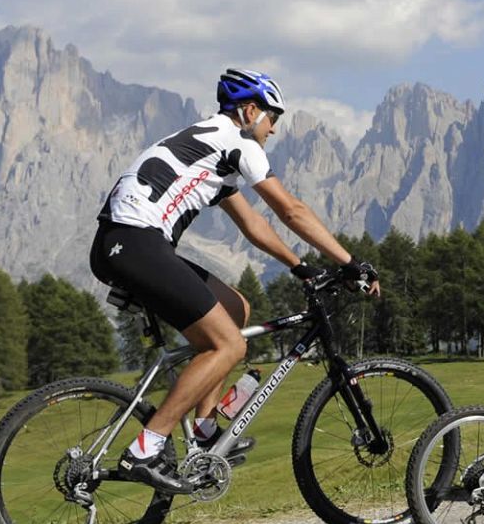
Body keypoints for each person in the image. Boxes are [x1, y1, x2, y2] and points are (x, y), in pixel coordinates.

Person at [91, 68, 378, 494]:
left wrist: (300, 267)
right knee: (229, 344)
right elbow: (290, 210)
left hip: (129, 244)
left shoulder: (211, 145)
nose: (275, 129)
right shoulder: (237, 140)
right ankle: (145, 448)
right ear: (249, 111)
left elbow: (253, 225)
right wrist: (352, 262)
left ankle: (205, 428)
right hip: (135, 244)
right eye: (272, 117)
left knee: (235, 309)